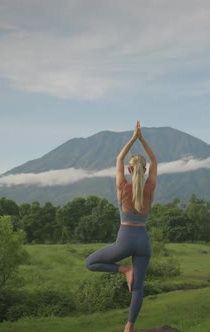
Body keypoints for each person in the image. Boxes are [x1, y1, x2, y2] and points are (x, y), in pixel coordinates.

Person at [85, 120, 157, 332]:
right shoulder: (150, 187)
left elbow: (118, 158)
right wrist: (142, 139)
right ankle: (129, 327)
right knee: (138, 288)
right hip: (143, 241)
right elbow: (154, 159)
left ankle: (125, 270)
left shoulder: (121, 186)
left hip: (124, 240)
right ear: (145, 170)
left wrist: (133, 138)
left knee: (90, 263)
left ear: (129, 169)